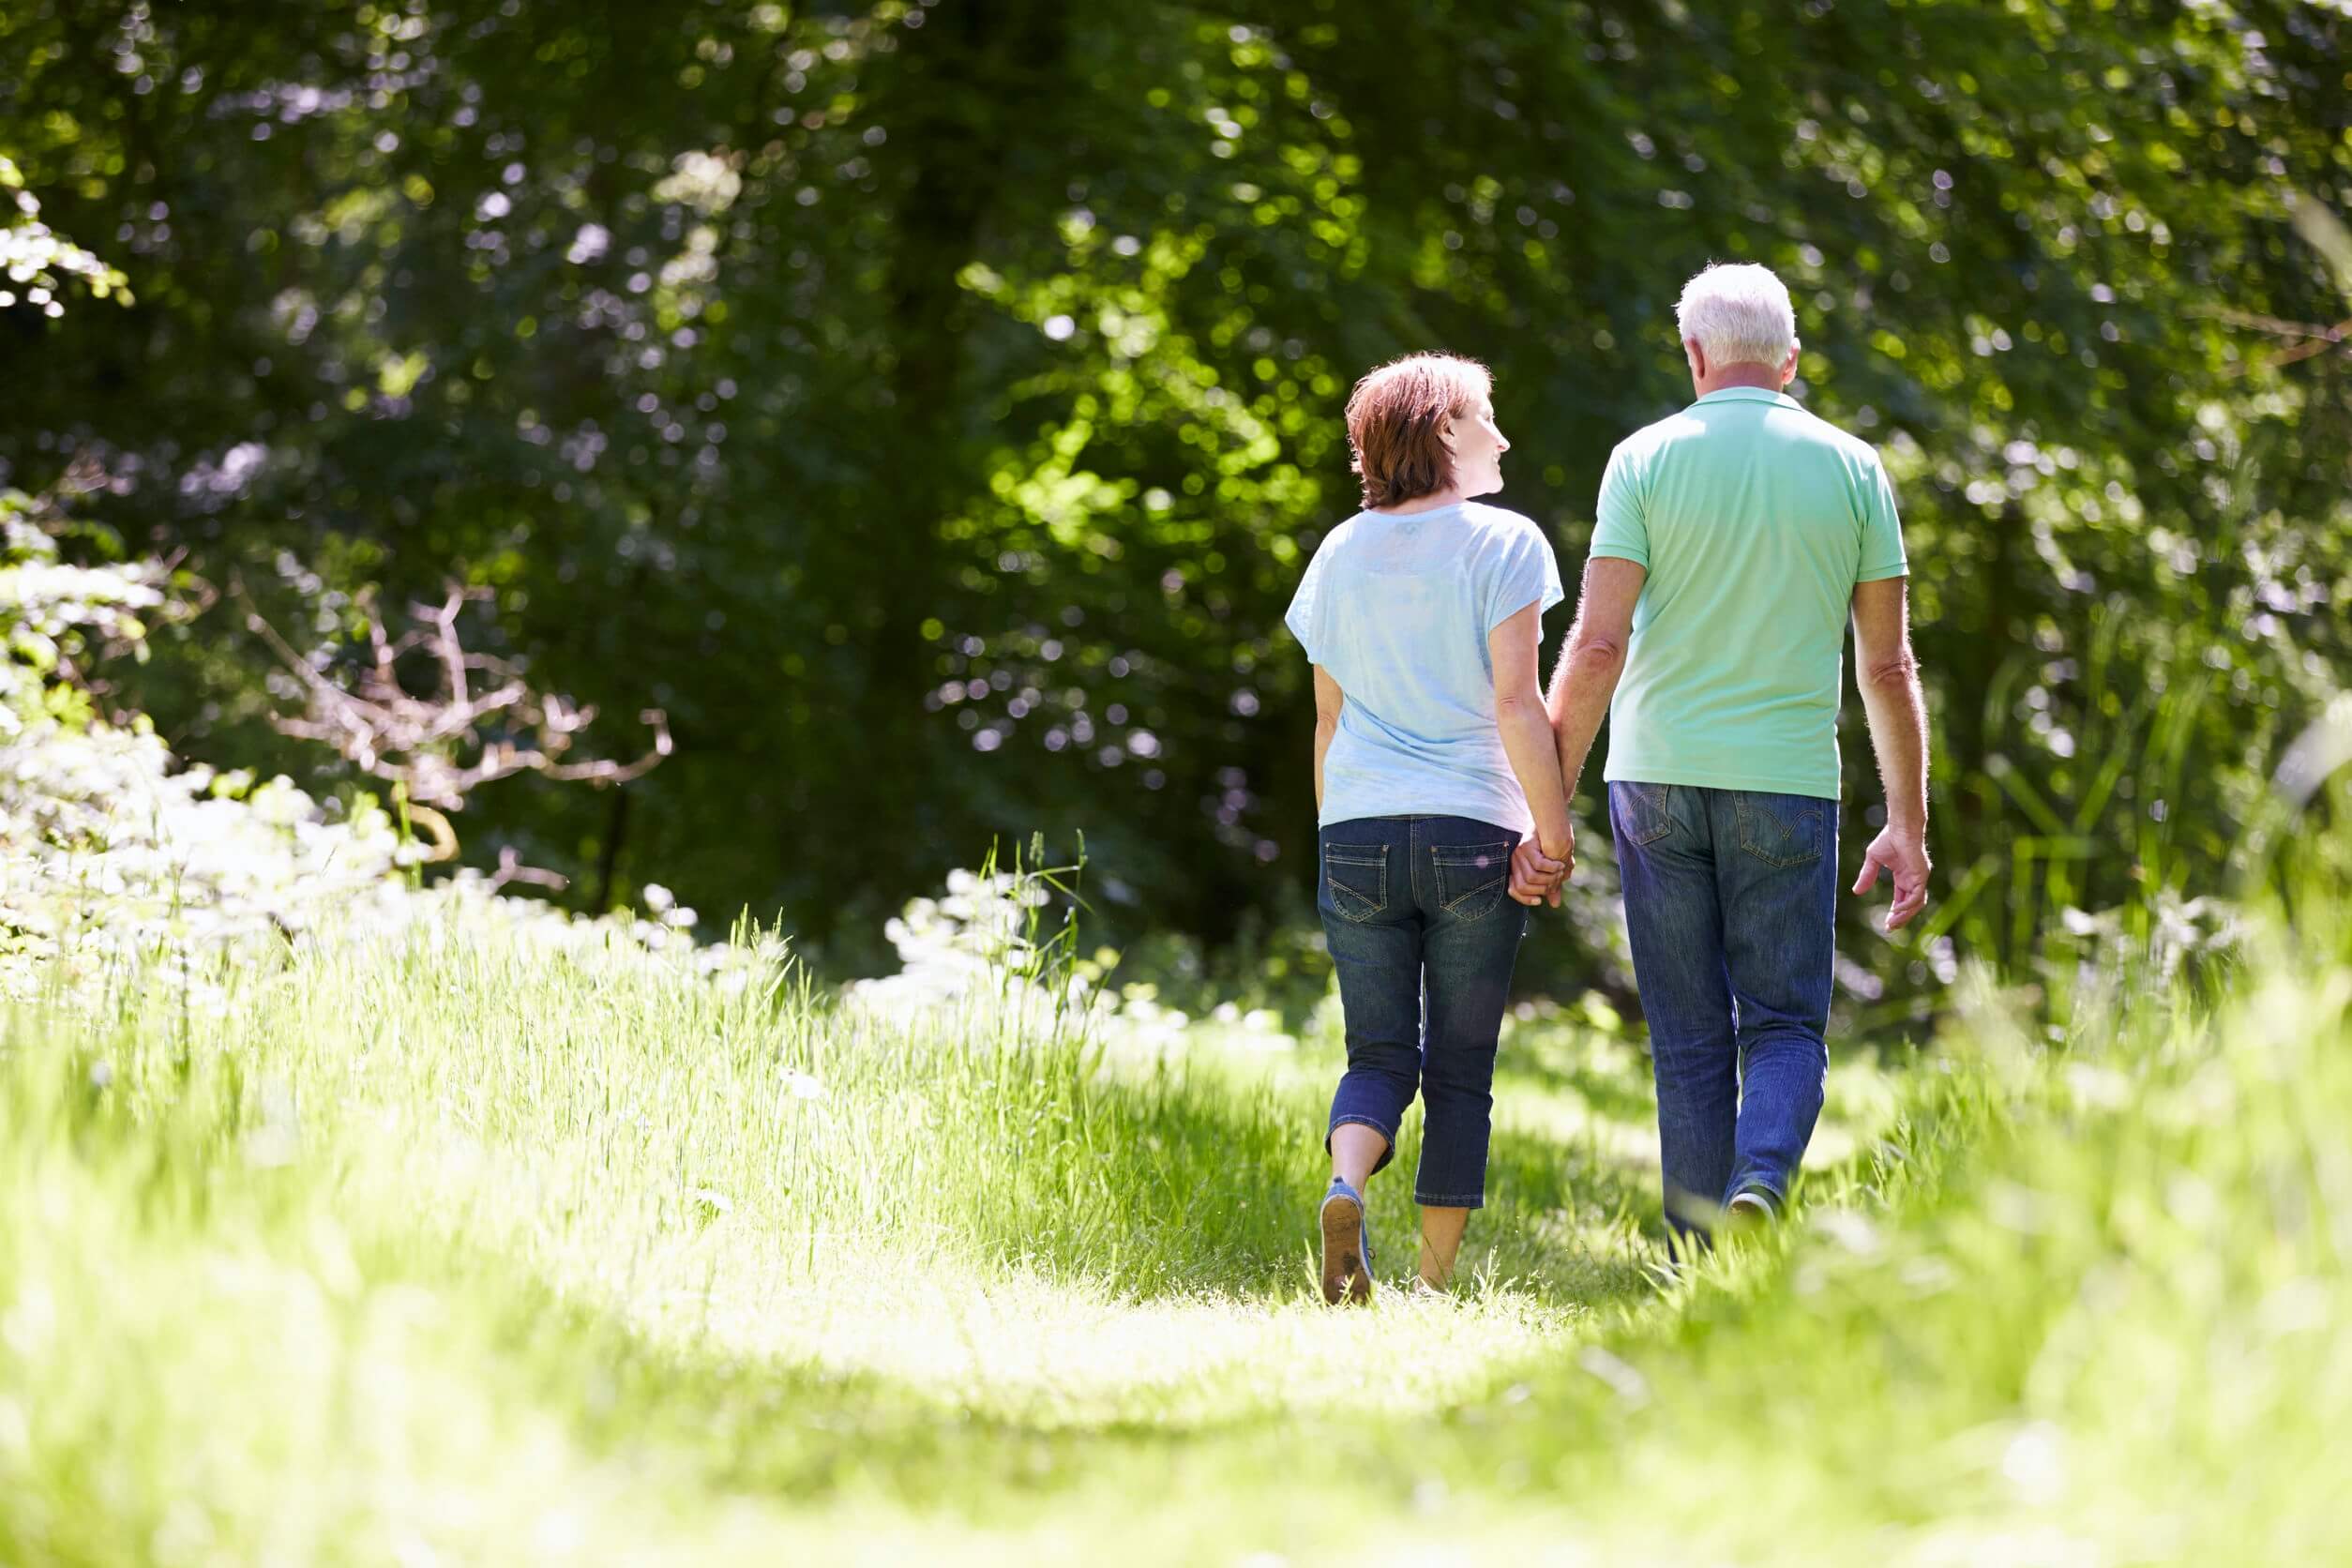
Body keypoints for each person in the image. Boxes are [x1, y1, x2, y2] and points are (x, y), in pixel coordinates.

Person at [1514, 261, 1931, 1243]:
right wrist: (1905, 823)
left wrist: (1550, 801)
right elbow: (1888, 666)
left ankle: (1695, 1255)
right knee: (1784, 1026)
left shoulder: (1644, 459)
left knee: (1690, 1038)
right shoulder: (1854, 467)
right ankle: (1759, 1185)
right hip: (1787, 785)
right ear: (1790, 359)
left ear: (1694, 354)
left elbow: (1600, 642)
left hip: (1654, 779)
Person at [1285, 353, 1571, 1303]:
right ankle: (1435, 1284)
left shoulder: (1338, 552)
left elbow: (1326, 720)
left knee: (1375, 1054)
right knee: (1459, 1067)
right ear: (1446, 430)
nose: (1504, 436)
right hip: (1469, 831)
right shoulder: (1506, 542)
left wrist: (1335, 843)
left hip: (1357, 828)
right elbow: (1518, 706)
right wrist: (1553, 833)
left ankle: (1344, 1184)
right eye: (1487, 417)